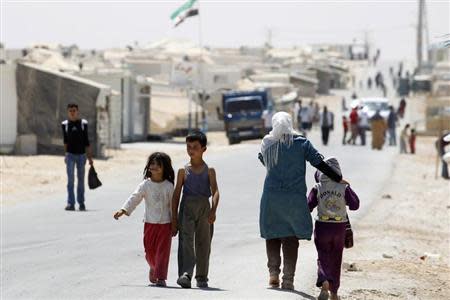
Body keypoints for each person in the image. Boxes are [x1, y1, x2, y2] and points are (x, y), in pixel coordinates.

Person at [258, 112, 347, 290]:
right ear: (290, 124)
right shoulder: (301, 143)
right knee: (290, 237)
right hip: (294, 197)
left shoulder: (267, 143)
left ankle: (273, 273)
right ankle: (288, 279)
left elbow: (263, 160)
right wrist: (337, 177)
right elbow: (319, 163)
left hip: (271, 196)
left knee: (272, 234)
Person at [113, 152, 175, 287]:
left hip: (165, 224)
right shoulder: (145, 185)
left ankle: (160, 277)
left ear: (165, 168)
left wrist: (175, 223)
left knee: (162, 253)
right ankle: (153, 267)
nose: (154, 167)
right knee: (149, 252)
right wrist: (123, 210)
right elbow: (135, 197)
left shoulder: (169, 186)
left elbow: (173, 206)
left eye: (158, 165)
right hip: (149, 224)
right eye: (152, 164)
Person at [171, 131, 220, 288]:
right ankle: (186, 274)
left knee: (203, 242)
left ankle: (202, 276)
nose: (191, 150)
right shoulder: (183, 171)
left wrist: (213, 210)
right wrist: (174, 218)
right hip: (187, 208)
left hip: (204, 208)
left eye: (195, 147)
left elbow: (216, 191)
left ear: (204, 149)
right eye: (188, 147)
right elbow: (176, 195)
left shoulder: (209, 170)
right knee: (186, 240)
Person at [308, 157, 360, 300]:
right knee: (336, 259)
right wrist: (347, 185)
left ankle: (324, 281)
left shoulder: (317, 187)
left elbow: (308, 205)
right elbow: (355, 205)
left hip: (322, 227)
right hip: (339, 228)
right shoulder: (343, 187)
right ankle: (334, 292)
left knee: (323, 255)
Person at [61, 103, 93, 211]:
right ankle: (71, 203)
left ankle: (81, 203)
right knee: (70, 180)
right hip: (70, 155)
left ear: (77, 111)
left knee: (81, 181)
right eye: (70, 111)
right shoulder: (65, 124)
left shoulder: (83, 124)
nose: (72, 112)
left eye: (74, 110)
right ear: (68, 112)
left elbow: (86, 142)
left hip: (81, 155)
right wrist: (65, 154)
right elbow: (65, 142)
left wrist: (90, 158)